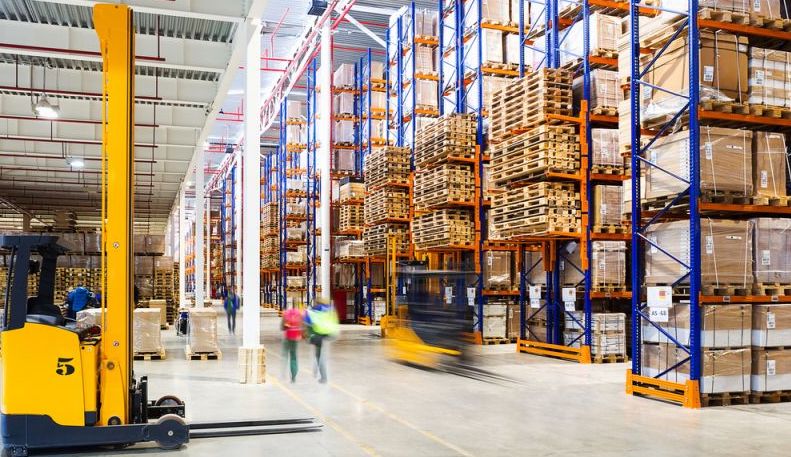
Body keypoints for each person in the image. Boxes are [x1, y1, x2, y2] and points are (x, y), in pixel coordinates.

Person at [304, 297, 340, 384]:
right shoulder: (330, 309)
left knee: (319, 356)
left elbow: (307, 323)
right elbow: (335, 320)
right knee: (319, 354)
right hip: (329, 333)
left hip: (318, 334)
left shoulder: (313, 310)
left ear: (316, 303)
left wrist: (307, 336)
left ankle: (323, 377)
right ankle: (315, 370)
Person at [281, 305, 304, 383]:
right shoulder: (299, 314)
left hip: (287, 337)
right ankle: (293, 376)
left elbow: (282, 328)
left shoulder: (286, 313)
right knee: (293, 357)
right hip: (295, 338)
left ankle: (283, 373)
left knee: (285, 355)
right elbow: (302, 326)